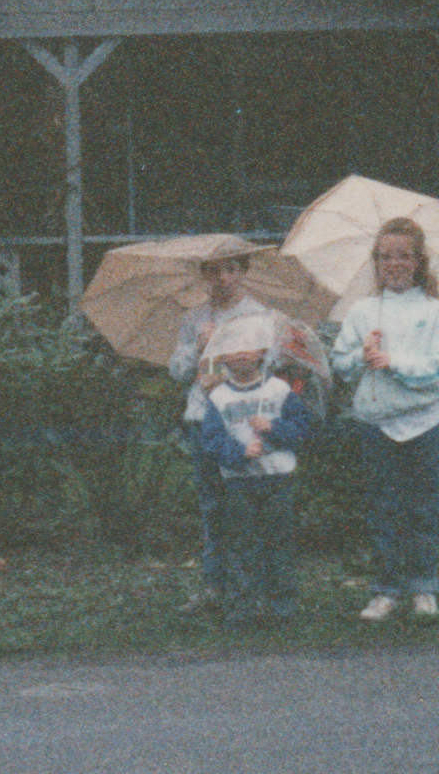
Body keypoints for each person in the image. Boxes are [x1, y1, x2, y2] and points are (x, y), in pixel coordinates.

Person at [331, 217, 439, 622]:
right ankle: (386, 590)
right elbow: (341, 365)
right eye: (386, 257)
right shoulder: (363, 311)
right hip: (376, 426)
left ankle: (423, 587)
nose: (394, 263)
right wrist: (361, 354)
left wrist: (393, 362)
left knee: (421, 508)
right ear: (376, 262)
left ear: (418, 261)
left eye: (403, 255)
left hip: (423, 425)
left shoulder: (434, 310)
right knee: (384, 508)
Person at [167, 247, 270, 614]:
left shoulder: (257, 316)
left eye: (230, 269)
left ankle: (249, 588)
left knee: (244, 505)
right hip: (203, 421)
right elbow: (177, 372)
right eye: (213, 272)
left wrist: (225, 380)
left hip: (241, 422)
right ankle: (214, 587)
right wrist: (198, 347)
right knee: (212, 507)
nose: (222, 278)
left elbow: (268, 372)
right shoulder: (196, 318)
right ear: (204, 276)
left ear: (242, 271)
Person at [199, 314, 312, 626]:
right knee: (242, 544)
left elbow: (302, 428)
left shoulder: (278, 390)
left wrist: (273, 428)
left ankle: (282, 607)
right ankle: (244, 606)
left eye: (249, 345)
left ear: (263, 351)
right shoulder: (219, 397)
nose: (242, 352)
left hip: (277, 479)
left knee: (279, 542)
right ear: (221, 356)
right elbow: (212, 439)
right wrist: (239, 452)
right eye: (233, 347)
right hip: (239, 483)